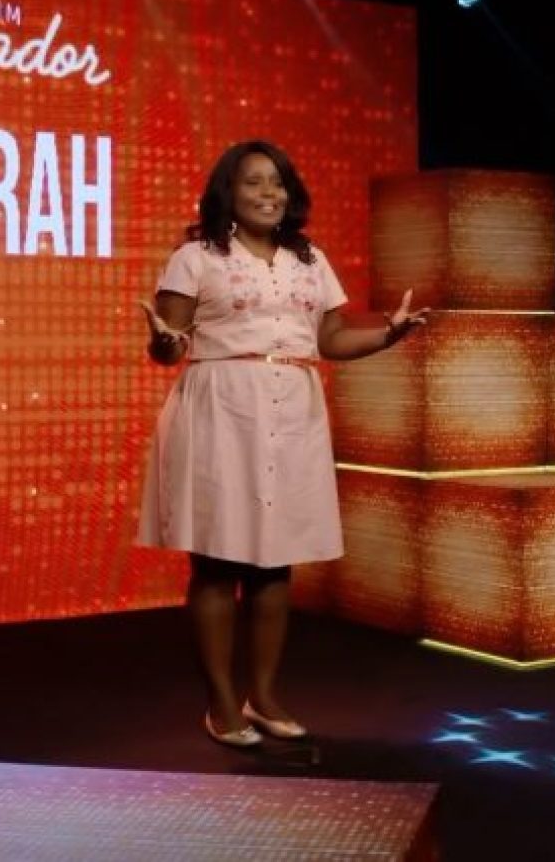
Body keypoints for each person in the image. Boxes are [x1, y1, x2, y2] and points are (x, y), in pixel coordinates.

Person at [137, 139, 427, 748]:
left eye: (278, 183)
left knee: (275, 565)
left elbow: (331, 341)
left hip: (293, 408)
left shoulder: (310, 259)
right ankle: (222, 705)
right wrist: (163, 341)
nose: (269, 193)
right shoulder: (196, 257)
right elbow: (170, 346)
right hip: (221, 410)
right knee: (217, 564)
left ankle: (263, 697)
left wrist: (388, 336)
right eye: (254, 182)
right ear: (228, 193)